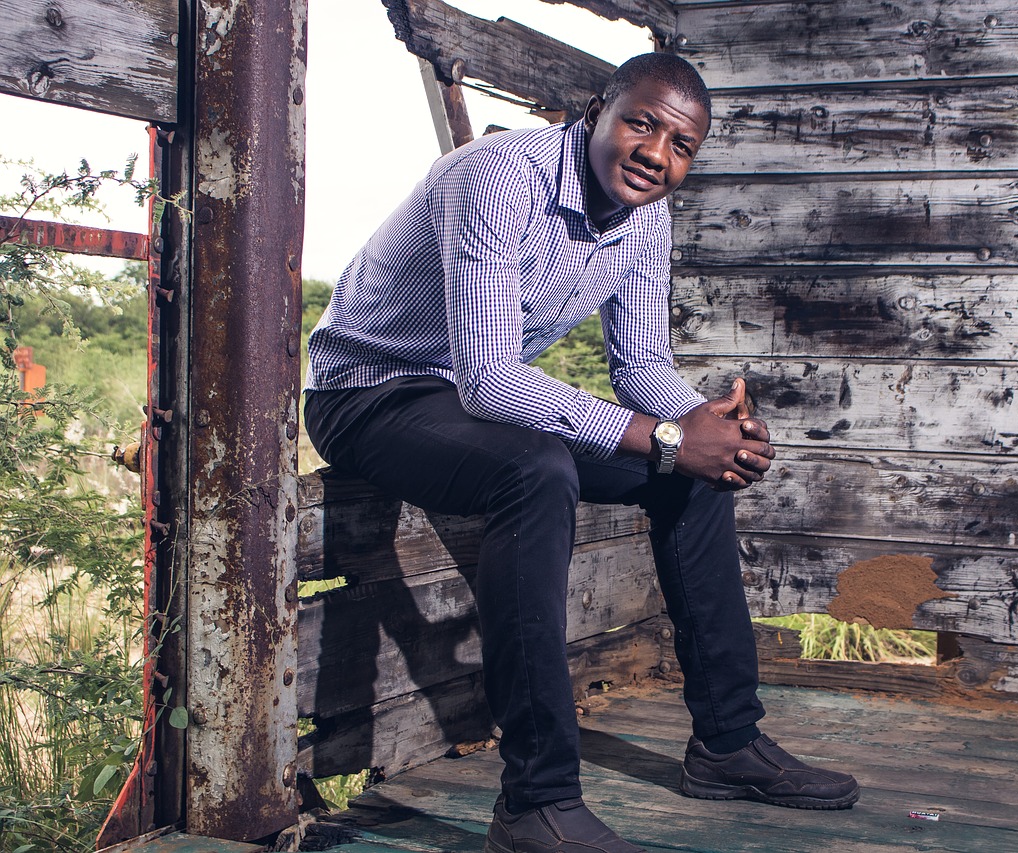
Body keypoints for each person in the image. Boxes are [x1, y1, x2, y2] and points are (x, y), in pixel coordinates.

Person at [304, 52, 859, 853]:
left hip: (462, 396)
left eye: (681, 146)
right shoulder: (496, 177)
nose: (656, 155)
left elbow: (638, 364)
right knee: (538, 470)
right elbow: (491, 379)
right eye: (641, 123)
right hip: (371, 390)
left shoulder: (646, 215)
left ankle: (728, 743)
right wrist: (668, 435)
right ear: (593, 110)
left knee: (690, 477)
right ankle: (536, 804)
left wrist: (704, 429)